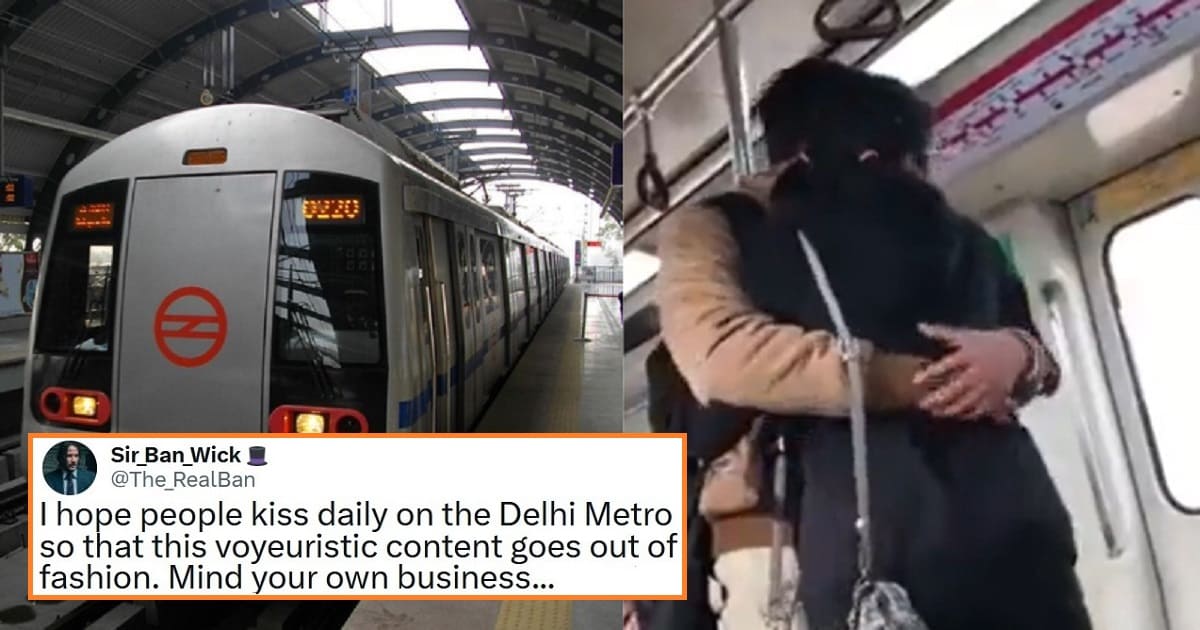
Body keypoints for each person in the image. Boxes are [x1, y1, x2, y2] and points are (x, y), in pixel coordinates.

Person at [648, 58, 1074, 630]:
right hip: (768, 526)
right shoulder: (722, 227)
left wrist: (1022, 358)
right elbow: (724, 358)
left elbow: (1026, 345)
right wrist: (931, 381)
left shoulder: (943, 232)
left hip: (863, 517)